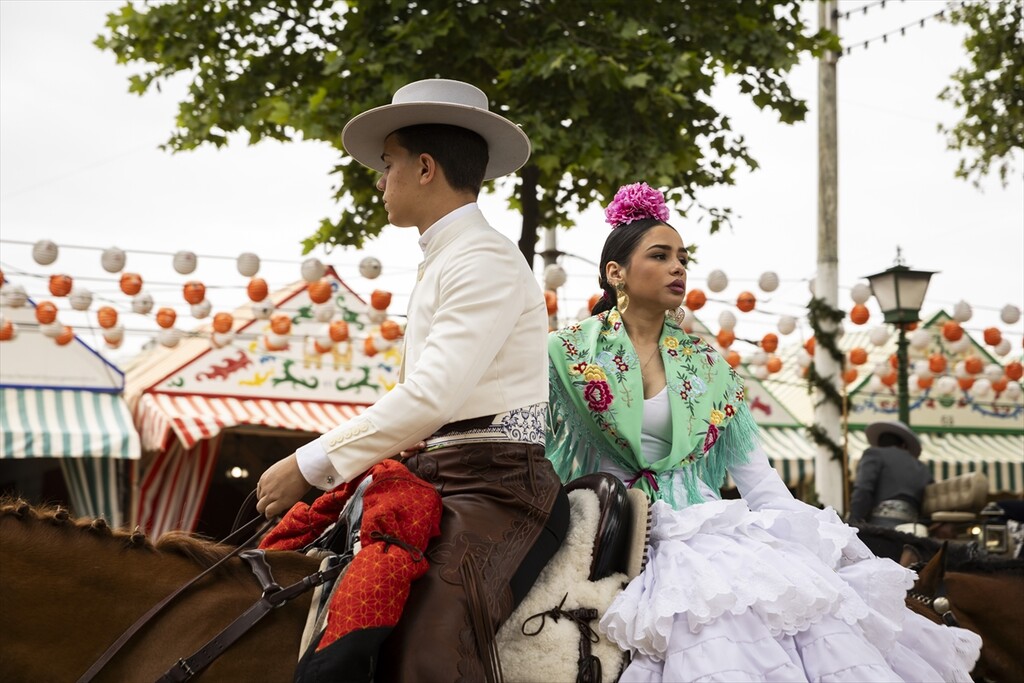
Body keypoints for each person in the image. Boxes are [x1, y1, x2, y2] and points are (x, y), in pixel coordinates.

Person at [545, 182, 981, 682]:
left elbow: (758, 480)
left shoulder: (709, 365)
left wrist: (824, 542)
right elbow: (535, 446)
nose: (678, 268)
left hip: (700, 528)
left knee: (783, 615)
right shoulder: (567, 352)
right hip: (606, 520)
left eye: (683, 258)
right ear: (615, 272)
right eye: (660, 256)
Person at [256, 78, 569, 683]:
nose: (380, 181)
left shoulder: (482, 257)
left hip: (498, 487)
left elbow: (432, 397)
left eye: (387, 164)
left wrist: (311, 463)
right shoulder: (449, 255)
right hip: (440, 477)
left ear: (425, 168)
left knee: (426, 651)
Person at [849, 420, 933, 528]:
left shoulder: (874, 453)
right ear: (903, 445)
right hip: (913, 527)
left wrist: (853, 523)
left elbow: (863, 490)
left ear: (879, 444)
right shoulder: (922, 468)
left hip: (879, 525)